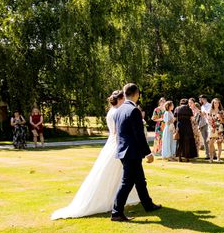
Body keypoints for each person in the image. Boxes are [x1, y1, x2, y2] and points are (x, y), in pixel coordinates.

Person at [52, 91, 140, 219]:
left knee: (119, 175)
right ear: (120, 99)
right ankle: (114, 205)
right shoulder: (117, 112)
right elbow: (118, 131)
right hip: (117, 143)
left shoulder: (111, 111)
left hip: (112, 143)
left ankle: (117, 201)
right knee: (119, 175)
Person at [111, 83, 161, 221]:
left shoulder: (119, 110)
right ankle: (116, 212)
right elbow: (138, 134)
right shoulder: (134, 110)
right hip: (131, 152)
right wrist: (148, 153)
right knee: (127, 182)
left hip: (124, 150)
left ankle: (148, 204)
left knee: (140, 180)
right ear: (136, 94)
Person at [207, 98, 224, 163]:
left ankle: (218, 158)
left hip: (219, 128)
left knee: (219, 143)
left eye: (217, 103)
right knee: (210, 143)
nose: (216, 104)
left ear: (219, 103)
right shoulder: (211, 110)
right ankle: (211, 158)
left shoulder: (221, 111)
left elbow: (223, 121)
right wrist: (211, 127)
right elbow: (208, 120)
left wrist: (220, 118)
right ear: (213, 103)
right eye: (215, 103)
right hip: (212, 128)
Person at [198, 95, 211, 159]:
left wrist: (205, 113)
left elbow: (210, 114)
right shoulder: (202, 106)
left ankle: (213, 154)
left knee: (210, 140)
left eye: (200, 99)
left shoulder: (210, 105)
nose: (199, 100)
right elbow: (203, 115)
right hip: (203, 124)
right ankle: (207, 155)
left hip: (209, 124)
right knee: (205, 140)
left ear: (204, 99)